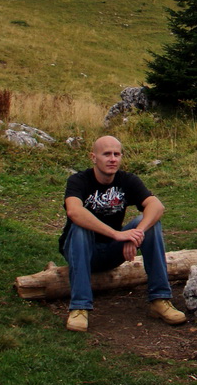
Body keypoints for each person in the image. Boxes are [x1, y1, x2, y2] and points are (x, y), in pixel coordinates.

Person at [60, 135, 186, 331]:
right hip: (81, 250)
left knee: (150, 224)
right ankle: (79, 308)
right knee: (80, 227)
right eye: (106, 154)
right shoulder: (79, 180)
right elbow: (74, 211)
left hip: (111, 251)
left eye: (116, 154)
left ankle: (160, 299)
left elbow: (156, 206)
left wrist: (136, 234)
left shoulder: (127, 180)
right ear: (93, 157)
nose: (112, 159)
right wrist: (116, 234)